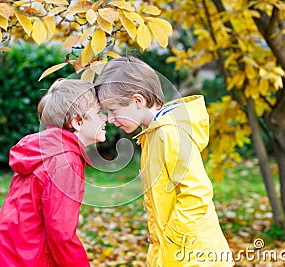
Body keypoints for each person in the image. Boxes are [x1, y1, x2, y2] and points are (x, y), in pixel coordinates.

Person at [95, 57, 234, 266]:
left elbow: (196, 195)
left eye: (113, 110)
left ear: (137, 101)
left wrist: (172, 245)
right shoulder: (152, 134)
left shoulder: (170, 133)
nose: (110, 119)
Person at [0, 79, 107, 267]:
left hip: (2, 255)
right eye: (99, 113)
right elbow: (61, 234)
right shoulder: (65, 161)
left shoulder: (45, 150)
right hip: (27, 259)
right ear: (77, 122)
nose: (106, 118)